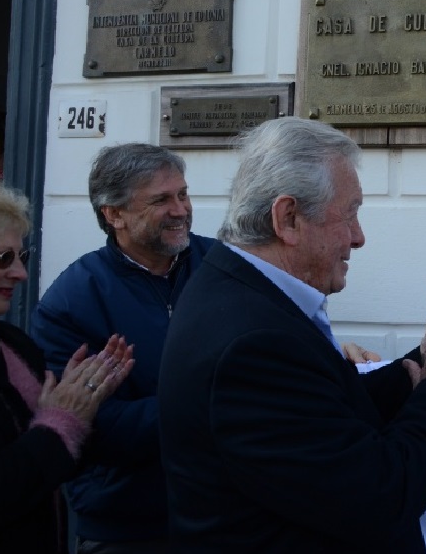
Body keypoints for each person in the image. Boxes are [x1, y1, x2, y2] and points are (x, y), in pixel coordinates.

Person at [157, 116, 426, 553]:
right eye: (350, 213)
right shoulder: (255, 344)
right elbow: (381, 498)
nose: (358, 237)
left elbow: (321, 415)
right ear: (287, 218)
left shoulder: (240, 290)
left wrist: (420, 365)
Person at [31, 143, 380, 553]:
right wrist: (235, 399)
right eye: (161, 200)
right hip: (131, 528)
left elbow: (279, 349)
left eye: (183, 194)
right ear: (114, 214)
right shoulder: (72, 301)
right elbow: (90, 425)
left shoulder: (227, 266)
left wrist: (330, 357)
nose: (180, 209)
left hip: (236, 516)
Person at [0, 178, 133, 553]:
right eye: (3, 258)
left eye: (22, 257)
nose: (20, 274)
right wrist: (61, 421)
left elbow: (57, 465)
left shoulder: (14, 345)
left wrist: (85, 397)